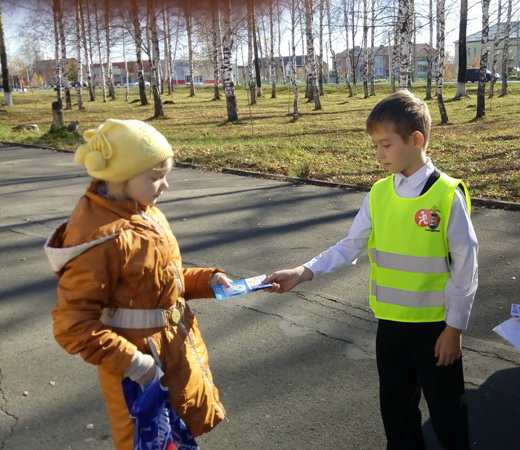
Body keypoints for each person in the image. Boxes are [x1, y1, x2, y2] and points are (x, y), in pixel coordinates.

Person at [266, 90, 478, 449]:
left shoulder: (446, 194)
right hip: (391, 326)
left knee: (446, 412)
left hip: (435, 329)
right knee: (396, 411)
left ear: (416, 140)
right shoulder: (379, 194)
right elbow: (351, 245)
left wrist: (454, 328)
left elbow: (466, 265)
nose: (378, 155)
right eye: (375, 146)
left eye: (385, 145)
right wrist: (302, 271)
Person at [45, 119, 233, 449]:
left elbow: (157, 282)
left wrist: (207, 280)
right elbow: (72, 324)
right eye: (155, 177)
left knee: (177, 438)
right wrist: (135, 364)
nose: (165, 186)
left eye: (166, 176)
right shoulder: (104, 237)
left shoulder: (145, 212)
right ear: (121, 178)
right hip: (141, 371)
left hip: (174, 351)